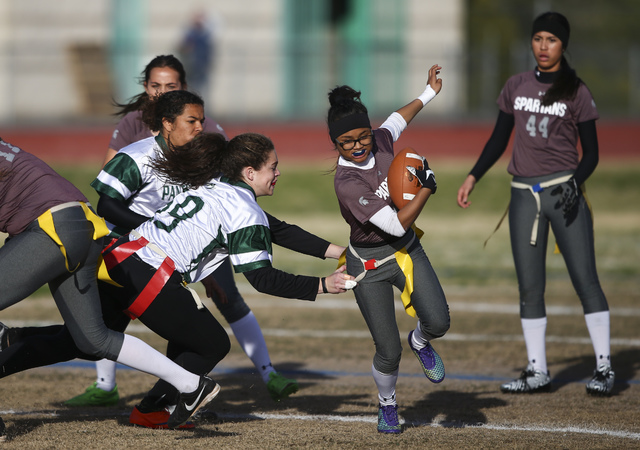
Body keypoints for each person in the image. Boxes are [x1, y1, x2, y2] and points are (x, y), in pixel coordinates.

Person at [75, 55, 318, 410]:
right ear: (151, 97)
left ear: (183, 88)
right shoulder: (134, 136)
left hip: (188, 242)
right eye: (155, 86)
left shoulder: (205, 135)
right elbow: (108, 196)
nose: (161, 92)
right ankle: (113, 385)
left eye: (170, 86)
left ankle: (262, 374)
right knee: (105, 326)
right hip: (138, 249)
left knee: (219, 304)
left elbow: (232, 191)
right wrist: (150, 229)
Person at [0, 138, 220, 430]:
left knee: (90, 338)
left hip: (51, 229)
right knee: (93, 339)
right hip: (85, 226)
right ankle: (191, 384)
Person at [456, 12, 614, 396]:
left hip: (563, 191)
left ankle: (605, 368)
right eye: (538, 38)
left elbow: (592, 152)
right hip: (523, 194)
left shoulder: (576, 89)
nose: (543, 46)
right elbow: (498, 139)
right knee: (529, 287)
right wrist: (473, 175)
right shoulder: (516, 85)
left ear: (564, 45)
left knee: (585, 279)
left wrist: (576, 182)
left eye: (552, 40)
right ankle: (537, 369)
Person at [327, 64, 450, 434]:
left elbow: (398, 119)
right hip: (367, 265)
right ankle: (387, 404)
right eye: (346, 141)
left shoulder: (379, 139)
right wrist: (426, 186)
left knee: (439, 322)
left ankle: (421, 340)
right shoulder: (346, 181)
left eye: (363, 136)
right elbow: (396, 223)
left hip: (405, 250)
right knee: (388, 351)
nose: (358, 145)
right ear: (335, 143)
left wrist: (428, 93)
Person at [178, 12, 215, 100]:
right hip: (190, 70)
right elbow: (182, 49)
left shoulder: (205, 36)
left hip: (201, 70)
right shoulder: (189, 35)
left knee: (202, 94)